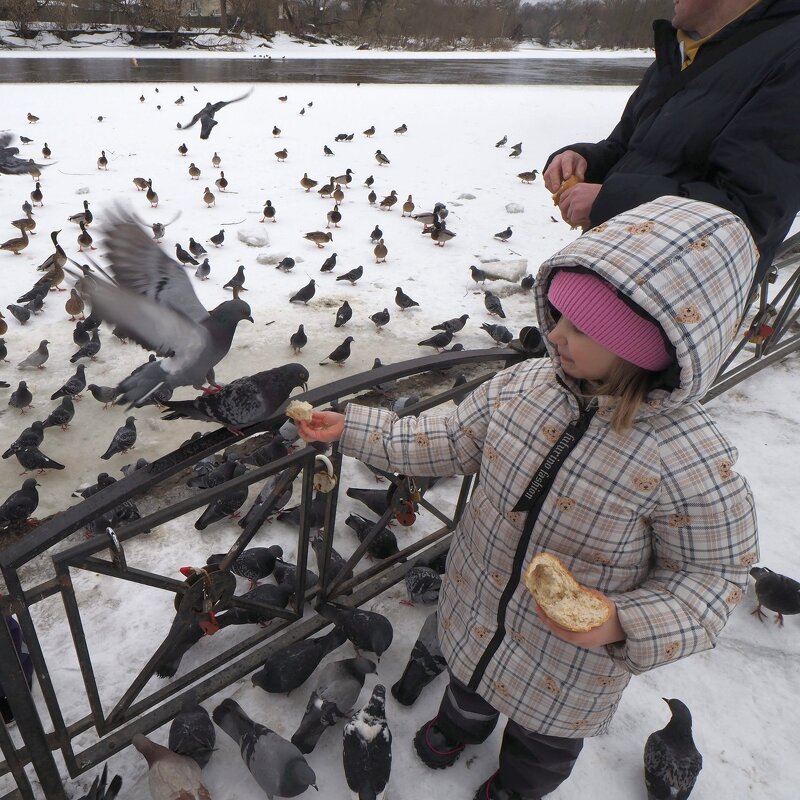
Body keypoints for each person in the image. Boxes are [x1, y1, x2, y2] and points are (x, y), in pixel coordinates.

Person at [298, 196, 760, 800]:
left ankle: (516, 787)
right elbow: (447, 438)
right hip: (477, 606)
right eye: (559, 315)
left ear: (650, 346)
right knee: (467, 685)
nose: (556, 335)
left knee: (542, 745)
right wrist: (358, 430)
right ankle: (458, 727)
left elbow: (714, 574)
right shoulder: (525, 386)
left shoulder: (689, 458)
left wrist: (625, 624)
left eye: (581, 328)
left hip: (570, 667)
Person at [543, 0, 800, 282]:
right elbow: (626, 147)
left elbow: (748, 213)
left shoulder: (790, 55)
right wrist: (583, 160)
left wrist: (609, 200)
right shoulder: (679, 51)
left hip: (685, 291)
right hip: (617, 260)